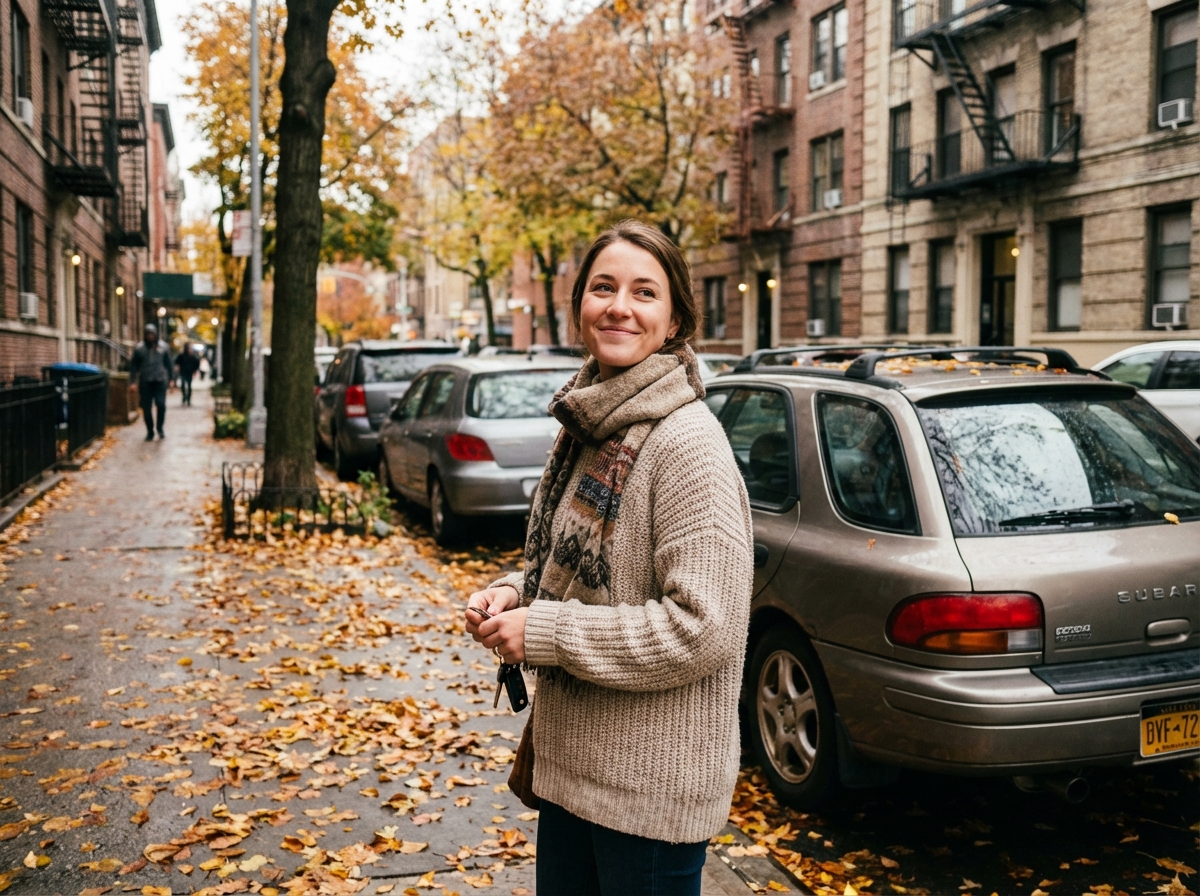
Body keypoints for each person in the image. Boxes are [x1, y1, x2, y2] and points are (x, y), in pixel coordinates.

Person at [464, 220, 754, 896]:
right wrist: (515, 593)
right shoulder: (592, 422)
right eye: (604, 287)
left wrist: (544, 631)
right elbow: (579, 561)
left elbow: (702, 628)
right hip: (571, 772)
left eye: (643, 292)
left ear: (674, 317)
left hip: (647, 798)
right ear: (580, 307)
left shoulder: (686, 443)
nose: (620, 306)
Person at [128, 323, 172, 440]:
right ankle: (150, 430)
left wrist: (171, 379)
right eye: (148, 334)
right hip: (146, 381)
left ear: (156, 334)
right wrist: (133, 382)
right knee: (146, 407)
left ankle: (160, 428)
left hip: (160, 380)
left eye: (152, 334)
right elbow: (134, 367)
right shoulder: (139, 348)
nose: (150, 336)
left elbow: (168, 364)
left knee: (161, 404)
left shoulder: (163, 347)